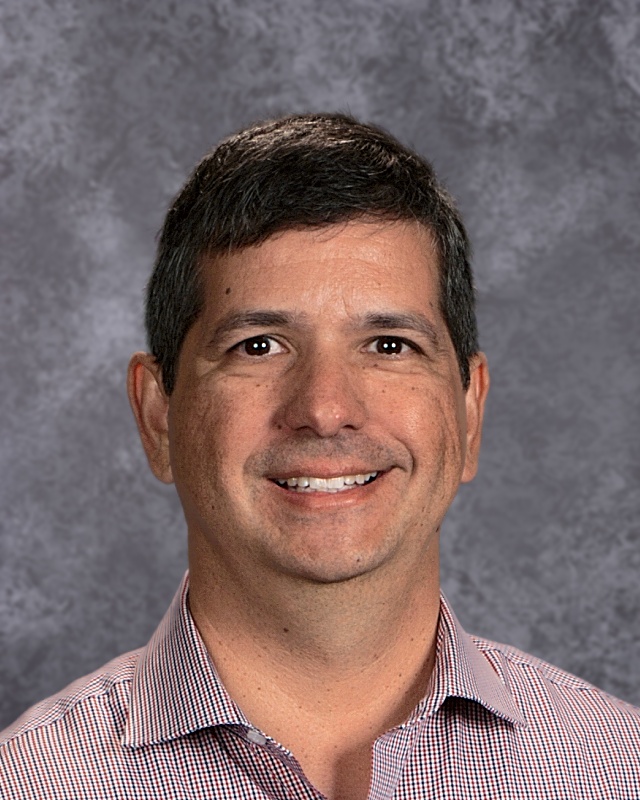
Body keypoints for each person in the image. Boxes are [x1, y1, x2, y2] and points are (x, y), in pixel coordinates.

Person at [1, 113, 638, 800]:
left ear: (469, 411)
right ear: (158, 417)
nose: (326, 408)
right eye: (259, 345)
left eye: (390, 345)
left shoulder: (616, 770)